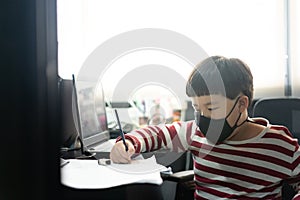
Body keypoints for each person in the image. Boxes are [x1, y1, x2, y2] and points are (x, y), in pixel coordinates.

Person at [110, 55, 300, 199]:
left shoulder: (280, 145)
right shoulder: (195, 133)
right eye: (197, 108)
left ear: (242, 104)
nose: (203, 117)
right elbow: (159, 133)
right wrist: (129, 144)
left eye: (211, 108)